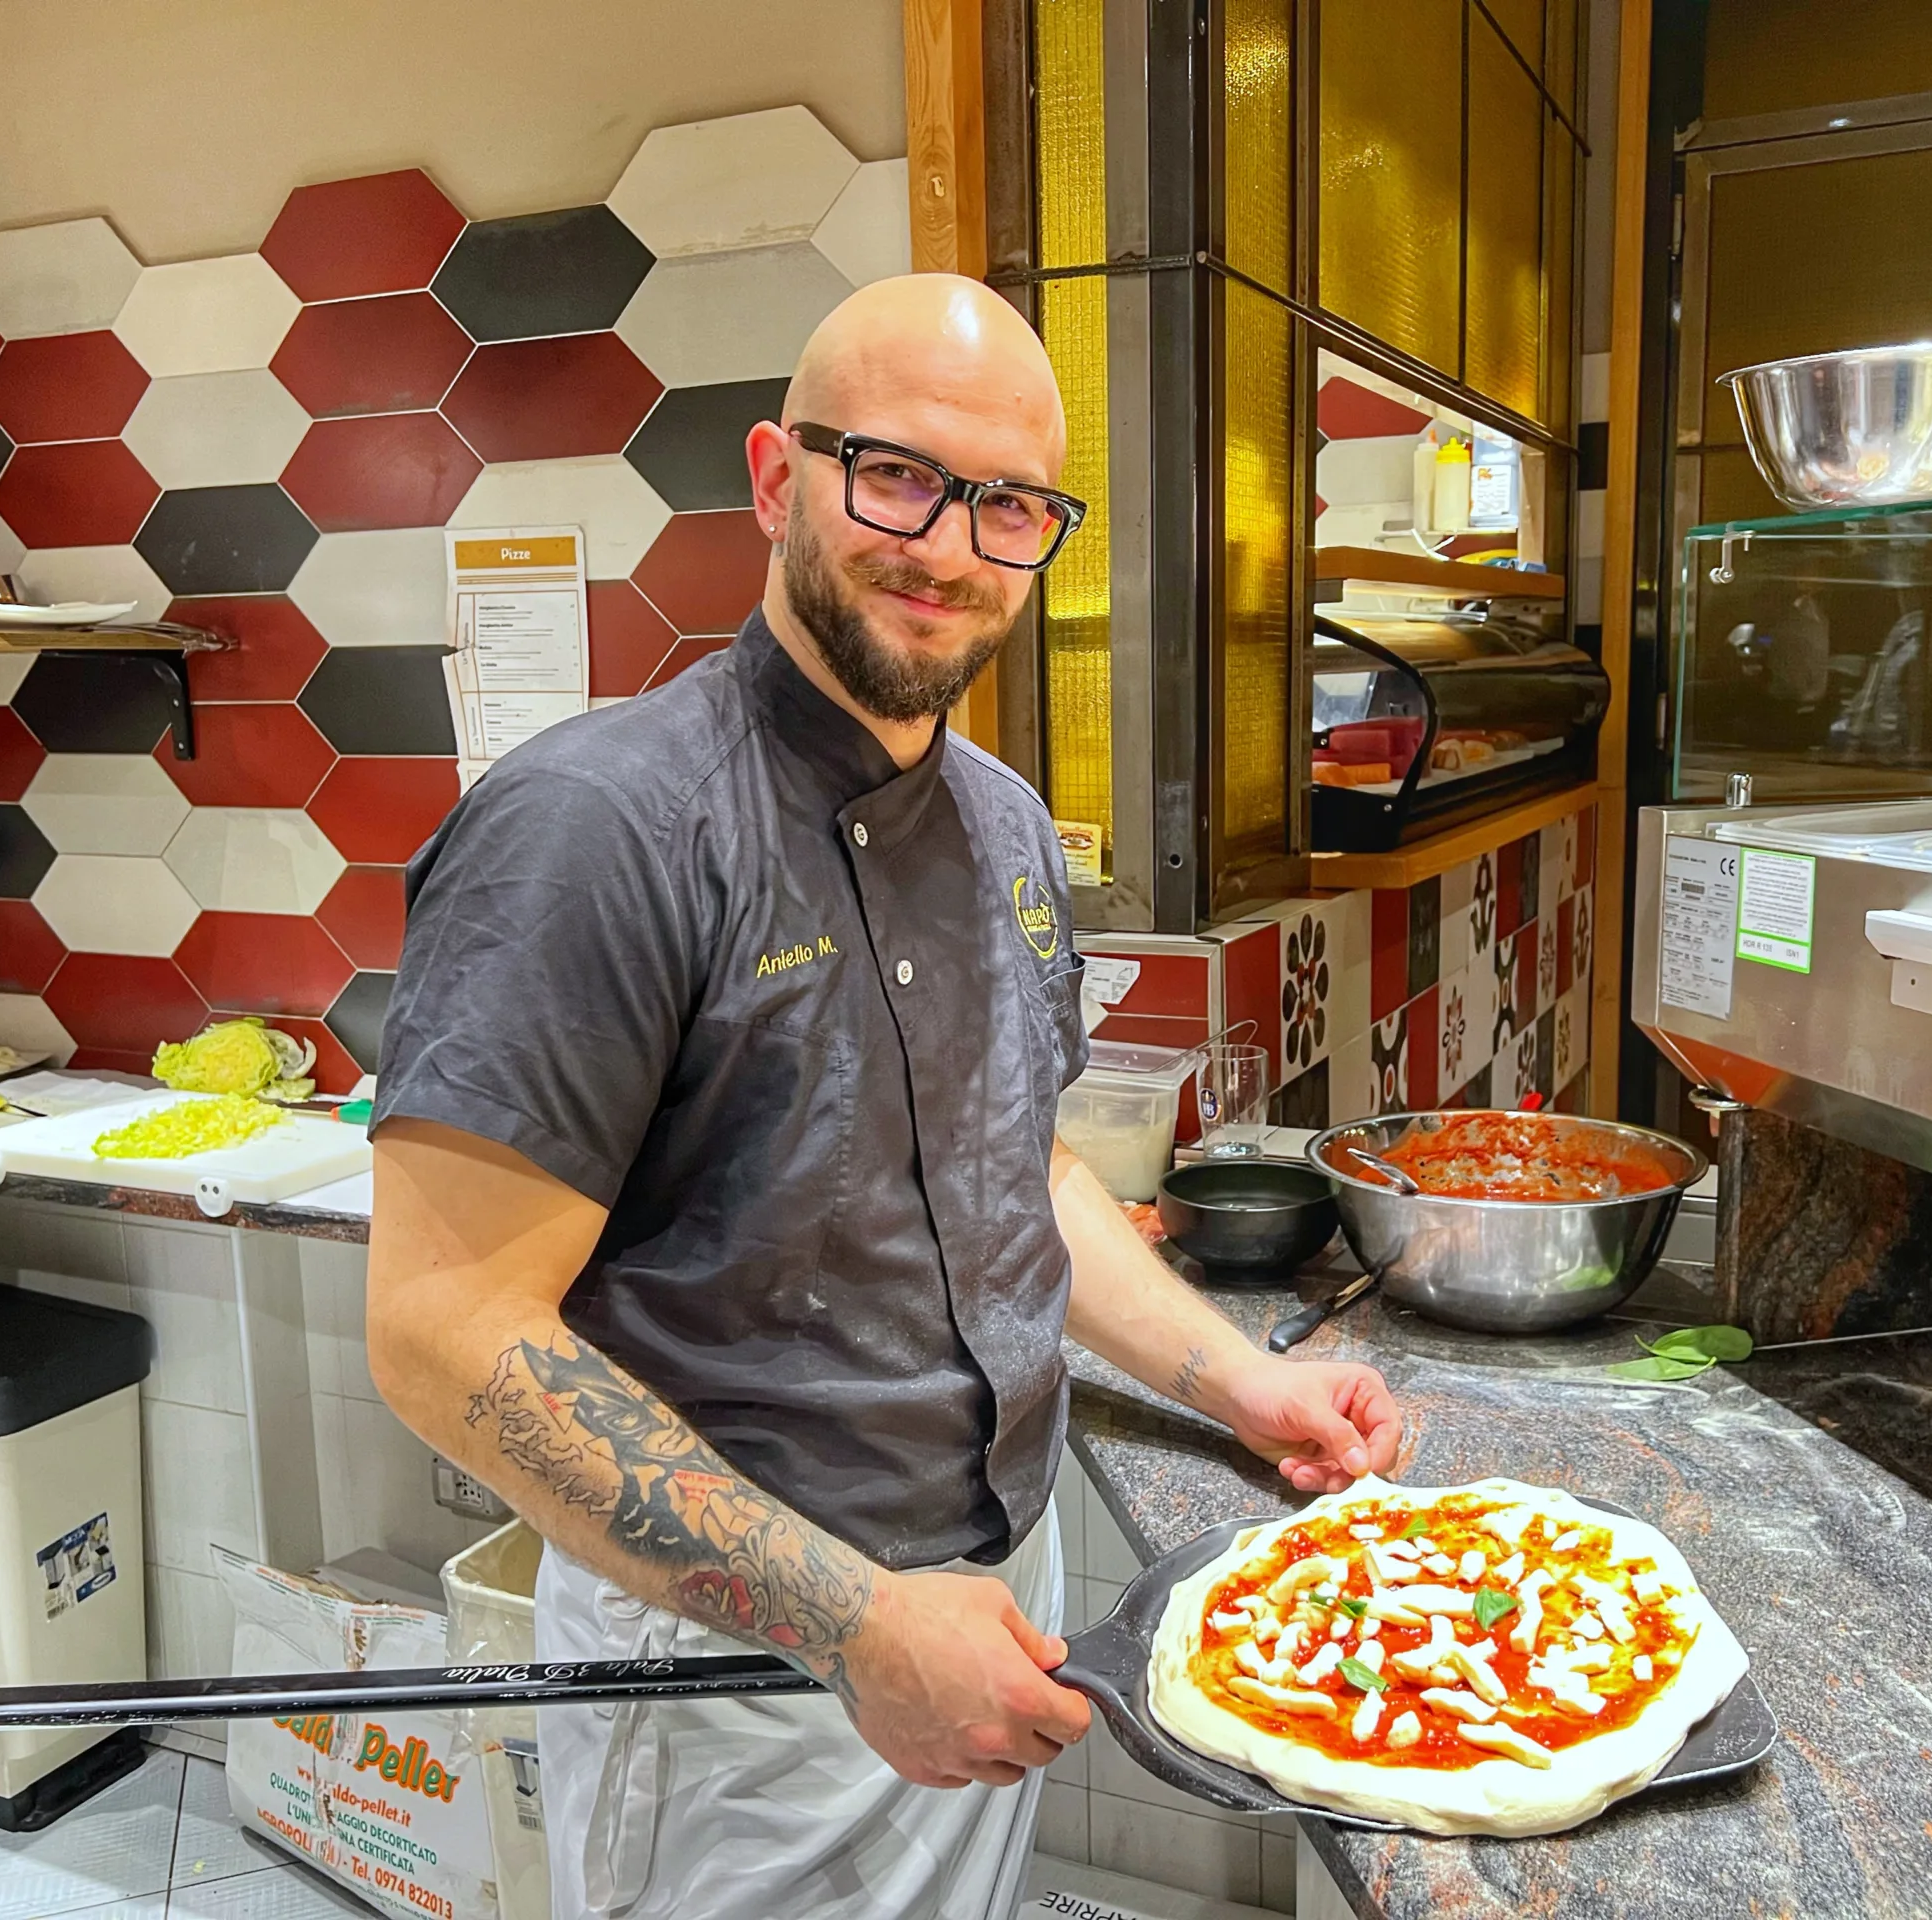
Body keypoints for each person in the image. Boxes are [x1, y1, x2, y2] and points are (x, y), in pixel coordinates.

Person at [364, 273, 1403, 1920]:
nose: (948, 548)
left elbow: (1027, 1173)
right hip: (737, 1666)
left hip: (991, 1601)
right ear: (779, 478)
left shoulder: (1001, 826)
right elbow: (441, 1329)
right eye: (897, 475)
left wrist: (1234, 1381)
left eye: (1008, 507)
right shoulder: (598, 828)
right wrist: (855, 1623)